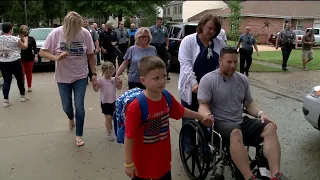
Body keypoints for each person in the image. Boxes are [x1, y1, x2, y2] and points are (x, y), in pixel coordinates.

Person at [197, 47, 288, 180]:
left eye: (235, 62)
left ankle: (276, 175)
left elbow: (249, 104)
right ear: (220, 60)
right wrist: (206, 115)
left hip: (240, 121)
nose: (233, 66)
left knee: (270, 127)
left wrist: (260, 113)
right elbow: (203, 105)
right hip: (221, 123)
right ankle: (249, 177)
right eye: (229, 62)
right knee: (235, 132)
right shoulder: (208, 79)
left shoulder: (242, 79)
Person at [124, 56, 214, 180]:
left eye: (164, 76)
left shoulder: (166, 97)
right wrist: (129, 163)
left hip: (163, 163)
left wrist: (201, 116)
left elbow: (181, 111)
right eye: (156, 78)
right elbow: (129, 137)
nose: (162, 81)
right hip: (143, 167)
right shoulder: (136, 106)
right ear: (143, 80)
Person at [39, 11, 97, 147]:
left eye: (79, 26)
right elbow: (42, 51)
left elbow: (90, 55)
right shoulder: (56, 33)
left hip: (81, 75)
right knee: (67, 107)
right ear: (67, 25)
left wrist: (93, 73)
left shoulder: (85, 33)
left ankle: (79, 134)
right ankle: (71, 118)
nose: (78, 29)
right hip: (63, 77)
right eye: (75, 27)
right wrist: (56, 58)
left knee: (79, 106)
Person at [178, 14, 225, 125]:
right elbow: (186, 65)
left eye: (215, 29)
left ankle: (204, 141)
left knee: (207, 122)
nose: (212, 31)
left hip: (210, 91)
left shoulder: (219, 43)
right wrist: (194, 84)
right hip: (192, 87)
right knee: (189, 123)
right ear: (202, 25)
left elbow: (222, 63)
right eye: (210, 28)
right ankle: (187, 141)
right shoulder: (188, 41)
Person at [0, 22, 29, 107]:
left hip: (3, 62)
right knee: (19, 79)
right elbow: (24, 47)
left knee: (6, 80)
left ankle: (6, 100)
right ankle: (22, 96)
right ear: (10, 29)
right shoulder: (15, 39)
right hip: (15, 61)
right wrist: (26, 41)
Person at [93, 61, 122, 141]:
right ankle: (109, 132)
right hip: (105, 102)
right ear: (103, 72)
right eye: (107, 73)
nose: (109, 74)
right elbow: (96, 90)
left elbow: (119, 88)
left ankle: (111, 129)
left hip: (113, 102)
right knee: (108, 117)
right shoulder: (100, 80)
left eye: (110, 72)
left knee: (113, 117)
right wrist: (94, 84)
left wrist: (120, 83)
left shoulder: (113, 79)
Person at [19, 25, 38, 92]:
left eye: (26, 30)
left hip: (30, 58)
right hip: (21, 58)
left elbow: (35, 48)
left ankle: (29, 86)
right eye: (23, 30)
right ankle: (22, 87)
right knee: (22, 73)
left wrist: (36, 56)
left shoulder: (31, 39)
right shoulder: (18, 39)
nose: (25, 31)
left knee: (29, 72)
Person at [83, 18, 100, 82]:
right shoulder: (79, 30)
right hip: (83, 50)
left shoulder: (92, 31)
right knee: (84, 63)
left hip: (90, 49)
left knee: (91, 62)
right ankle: (85, 78)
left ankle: (91, 76)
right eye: (84, 22)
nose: (85, 23)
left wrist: (97, 48)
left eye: (86, 21)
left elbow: (96, 39)